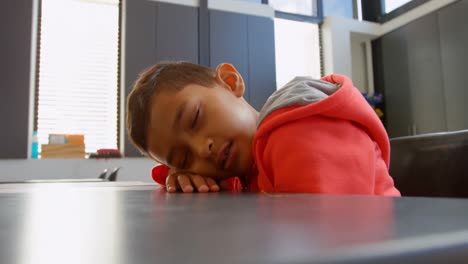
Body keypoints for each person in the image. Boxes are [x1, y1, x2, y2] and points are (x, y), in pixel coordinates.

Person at [126, 61, 401, 196]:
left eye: (195, 118)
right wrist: (181, 178)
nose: (202, 148)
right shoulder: (249, 165)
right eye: (185, 158)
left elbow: (326, 237)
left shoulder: (296, 130)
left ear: (230, 82)